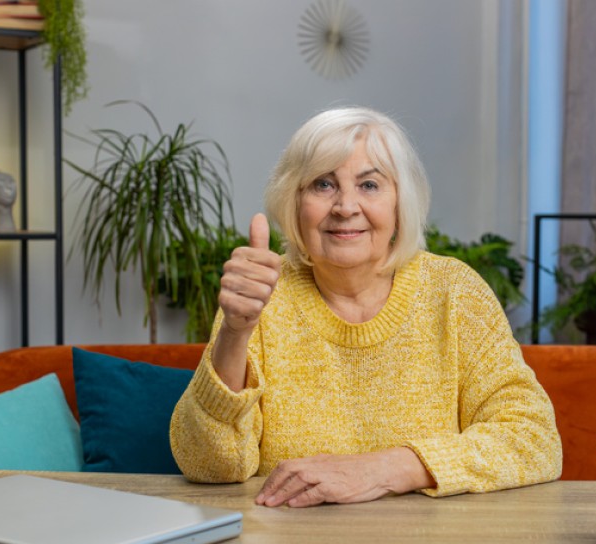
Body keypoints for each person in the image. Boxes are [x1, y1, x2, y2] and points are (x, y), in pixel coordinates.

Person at [170, 107, 562, 508]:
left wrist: (383, 470)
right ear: (294, 202)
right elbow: (211, 465)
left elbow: (534, 439)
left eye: (370, 185)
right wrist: (235, 333)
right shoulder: (262, 296)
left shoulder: (454, 292)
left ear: (400, 203)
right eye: (323, 184)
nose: (345, 206)